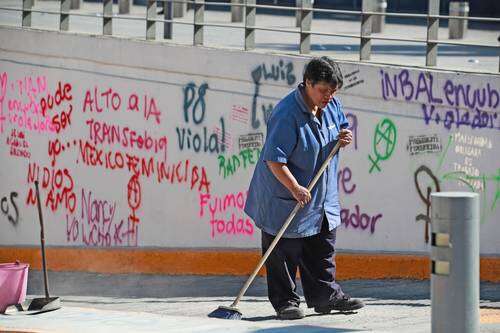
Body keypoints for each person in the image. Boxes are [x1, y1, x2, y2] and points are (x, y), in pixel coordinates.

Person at [244, 57, 364, 320]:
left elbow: (340, 128)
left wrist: (344, 138)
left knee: (322, 246)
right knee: (284, 249)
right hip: (285, 193)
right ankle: (285, 302)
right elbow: (275, 160)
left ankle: (326, 297)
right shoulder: (287, 114)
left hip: (321, 194)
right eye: (323, 90)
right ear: (307, 83)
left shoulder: (332, 104)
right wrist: (295, 187)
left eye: (333, 91)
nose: (329, 97)